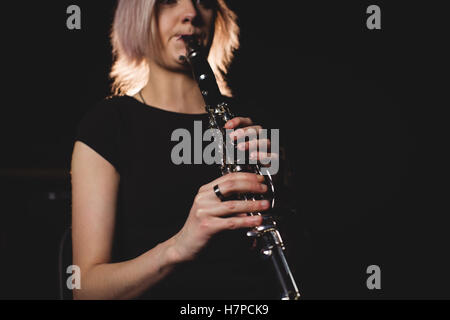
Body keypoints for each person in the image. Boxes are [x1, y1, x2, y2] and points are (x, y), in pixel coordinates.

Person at [70, 0, 284, 299]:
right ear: (138, 16)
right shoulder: (107, 126)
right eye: (169, 1)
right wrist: (178, 247)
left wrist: (280, 183)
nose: (192, 13)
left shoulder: (251, 125)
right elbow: (85, 290)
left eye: (205, 2)